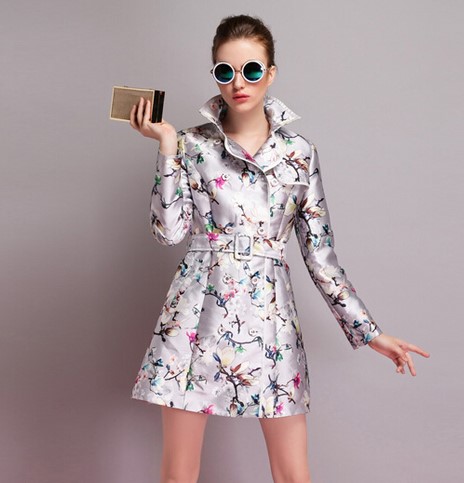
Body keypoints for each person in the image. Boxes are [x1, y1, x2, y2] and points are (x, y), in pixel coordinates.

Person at [129, 14, 430, 483]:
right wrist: (166, 147)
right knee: (178, 475)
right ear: (215, 76)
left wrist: (371, 333)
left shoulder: (299, 153)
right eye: (225, 71)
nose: (239, 83)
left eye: (251, 70)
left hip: (270, 320)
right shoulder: (190, 145)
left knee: (293, 474)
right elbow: (168, 233)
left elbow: (321, 257)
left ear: (271, 73)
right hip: (194, 316)